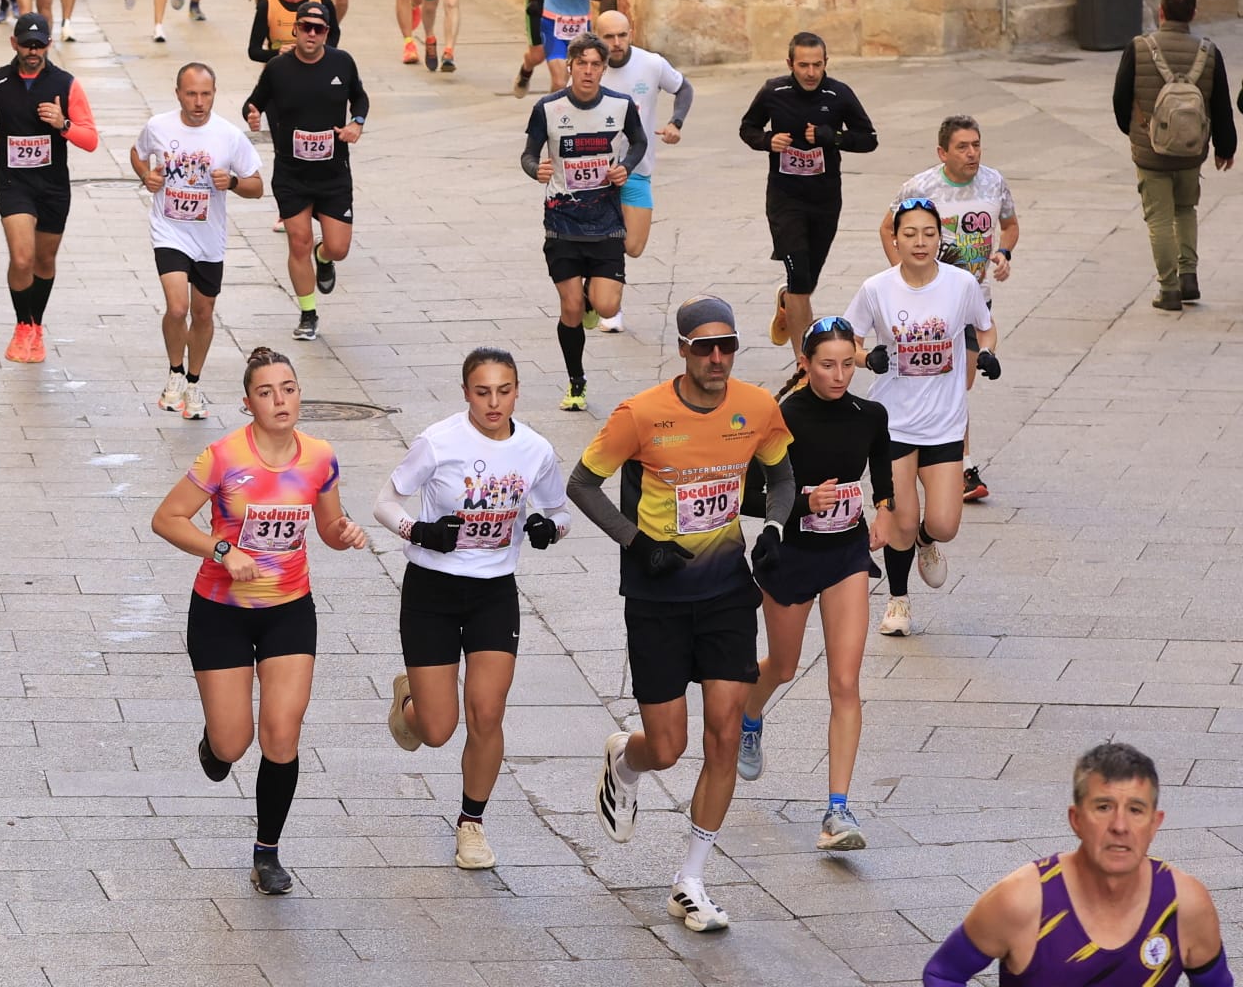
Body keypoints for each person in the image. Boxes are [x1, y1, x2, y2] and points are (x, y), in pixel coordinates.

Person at [568, 295, 795, 934]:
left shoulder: (757, 406)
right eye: (706, 347)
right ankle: (626, 760)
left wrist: (775, 527)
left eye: (728, 346)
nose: (718, 358)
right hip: (657, 600)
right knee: (669, 747)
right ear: (684, 351)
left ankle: (690, 880)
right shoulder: (639, 415)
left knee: (724, 734)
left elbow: (782, 475)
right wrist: (639, 545)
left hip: (726, 593)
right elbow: (580, 484)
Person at [150, 345, 367, 896]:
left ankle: (267, 851)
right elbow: (167, 519)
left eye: (289, 389)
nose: (280, 400)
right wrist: (222, 551)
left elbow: (327, 525)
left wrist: (342, 535)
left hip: (289, 610)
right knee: (233, 743)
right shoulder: (223, 457)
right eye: (267, 392)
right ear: (248, 403)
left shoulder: (320, 456)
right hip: (221, 612)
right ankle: (214, 747)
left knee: (281, 732)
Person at [376, 348, 573, 871]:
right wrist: (417, 530)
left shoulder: (534, 449)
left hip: (493, 592)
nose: (493, 402)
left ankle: (472, 824)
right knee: (438, 730)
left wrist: (548, 528)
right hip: (432, 591)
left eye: (503, 390)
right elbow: (385, 501)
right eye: (482, 391)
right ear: (465, 392)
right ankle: (411, 704)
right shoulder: (438, 442)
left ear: (516, 391)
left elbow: (560, 510)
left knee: (487, 712)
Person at [734, 316, 892, 853]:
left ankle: (837, 811)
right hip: (793, 556)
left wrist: (886, 511)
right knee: (783, 664)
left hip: (845, 553)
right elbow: (747, 496)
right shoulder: (781, 418)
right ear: (804, 363)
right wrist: (804, 500)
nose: (840, 374)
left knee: (846, 683)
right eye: (828, 364)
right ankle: (750, 714)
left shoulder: (869, 414)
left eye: (849, 363)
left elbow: (883, 470)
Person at [924, 743, 1230, 987]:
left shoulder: (1186, 904)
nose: (1120, 825)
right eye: (1103, 807)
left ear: (1154, 823)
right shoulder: (1021, 901)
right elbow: (943, 974)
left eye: (1136, 810)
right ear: (1076, 819)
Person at [847, 197, 997, 639]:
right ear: (894, 238)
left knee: (944, 524)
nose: (919, 242)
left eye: (928, 234)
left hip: (945, 422)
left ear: (939, 238)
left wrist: (987, 352)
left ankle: (928, 544)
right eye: (909, 234)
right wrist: (864, 357)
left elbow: (985, 326)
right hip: (892, 422)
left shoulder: (960, 284)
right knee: (902, 521)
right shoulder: (877, 288)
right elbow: (849, 338)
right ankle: (898, 602)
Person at [880, 116, 1018, 502]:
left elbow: (1010, 226)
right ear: (943, 152)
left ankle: (936, 448)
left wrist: (1003, 253)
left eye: (976, 144)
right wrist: (904, 275)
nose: (972, 152)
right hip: (929, 302)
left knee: (962, 379)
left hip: (974, 297)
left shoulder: (994, 182)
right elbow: (887, 228)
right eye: (962, 146)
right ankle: (961, 467)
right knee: (951, 379)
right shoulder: (921, 187)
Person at [738, 32, 880, 378]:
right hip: (785, 198)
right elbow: (747, 128)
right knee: (800, 277)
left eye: (817, 65)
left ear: (826, 64)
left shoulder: (839, 94)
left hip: (825, 199)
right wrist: (767, 140)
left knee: (807, 278)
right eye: (803, 65)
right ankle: (805, 366)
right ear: (790, 64)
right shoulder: (774, 92)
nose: (811, 72)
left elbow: (870, 140)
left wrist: (835, 137)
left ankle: (787, 300)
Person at [132, 63, 265, 420]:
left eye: (205, 94)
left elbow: (257, 186)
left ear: (215, 94)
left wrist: (233, 183)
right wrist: (147, 176)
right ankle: (175, 373)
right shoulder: (159, 126)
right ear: (178, 94)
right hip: (169, 231)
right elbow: (138, 152)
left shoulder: (228, 135)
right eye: (191, 94)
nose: (198, 102)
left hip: (209, 239)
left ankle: (193, 383)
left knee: (203, 312)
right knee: (178, 308)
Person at [519, 34, 645, 410]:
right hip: (563, 222)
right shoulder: (548, 108)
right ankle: (576, 381)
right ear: (570, 66)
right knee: (571, 309)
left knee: (606, 308)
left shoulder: (621, 106)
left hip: (606, 221)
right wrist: (535, 170)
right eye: (582, 63)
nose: (588, 71)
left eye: (596, 65)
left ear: (604, 69)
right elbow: (528, 154)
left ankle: (594, 298)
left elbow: (638, 143)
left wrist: (625, 167)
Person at [0, 14, 100, 364]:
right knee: (22, 257)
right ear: (14, 43)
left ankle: (36, 325)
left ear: (49, 45)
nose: (33, 50)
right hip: (14, 184)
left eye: (39, 44)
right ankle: (22, 324)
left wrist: (63, 124)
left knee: (44, 260)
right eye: (27, 44)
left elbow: (90, 140)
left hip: (53, 186)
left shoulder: (66, 84)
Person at [243, 1, 366, 342]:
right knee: (298, 241)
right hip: (291, 173)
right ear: (296, 29)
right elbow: (253, 102)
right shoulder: (278, 69)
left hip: (333, 173)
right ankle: (308, 312)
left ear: (327, 33)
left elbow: (360, 99)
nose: (312, 34)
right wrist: (251, 116)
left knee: (338, 248)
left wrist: (356, 123)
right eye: (306, 27)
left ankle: (322, 257)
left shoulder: (342, 62)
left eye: (319, 28)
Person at [1112, 0, 1237, 310]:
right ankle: (1189, 275)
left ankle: (1168, 289)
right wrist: (1226, 146)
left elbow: (1120, 98)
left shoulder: (1138, 48)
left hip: (1150, 150)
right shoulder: (1209, 53)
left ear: (1161, 12)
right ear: (1194, 14)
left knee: (1158, 218)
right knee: (1185, 210)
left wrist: (1135, 133)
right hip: (1191, 150)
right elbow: (1221, 104)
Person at [595, 10, 693, 333]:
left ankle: (597, 284)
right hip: (597, 175)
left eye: (622, 35)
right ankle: (611, 307)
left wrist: (675, 122)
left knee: (634, 245)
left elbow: (684, 88)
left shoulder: (651, 64)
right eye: (609, 37)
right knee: (609, 237)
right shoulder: (590, 68)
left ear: (631, 32)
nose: (617, 43)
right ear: (598, 36)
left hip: (638, 169)